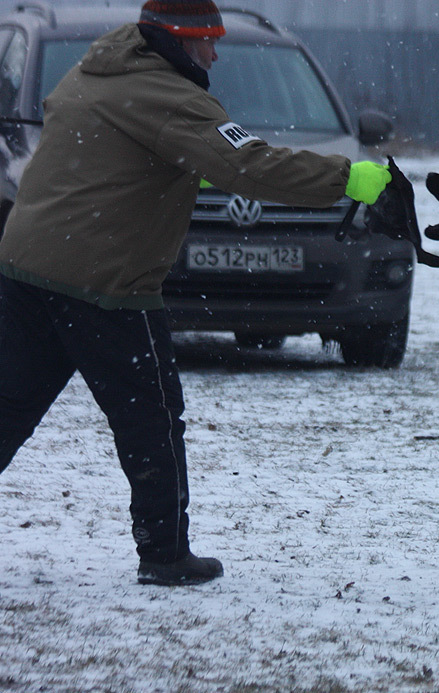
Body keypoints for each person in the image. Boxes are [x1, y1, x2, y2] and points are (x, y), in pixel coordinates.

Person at [0, 0, 391, 586]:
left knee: (9, 404)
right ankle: (165, 555)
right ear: (180, 39)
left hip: (27, 266)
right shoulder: (170, 97)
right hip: (103, 282)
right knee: (152, 419)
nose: (215, 52)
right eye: (208, 40)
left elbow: (111, 149)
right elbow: (250, 166)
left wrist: (183, 165)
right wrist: (347, 178)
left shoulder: (93, 70)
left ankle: (163, 550)